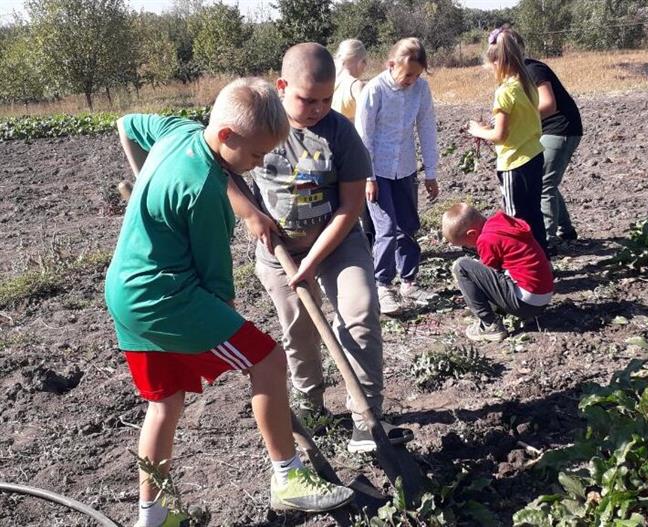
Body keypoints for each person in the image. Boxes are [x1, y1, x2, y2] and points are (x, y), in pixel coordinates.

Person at [105, 78, 354, 527]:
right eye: (256, 155)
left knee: (165, 403)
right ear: (227, 137)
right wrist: (228, 326)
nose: (258, 166)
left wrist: (145, 179)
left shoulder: (176, 131)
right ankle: (288, 477)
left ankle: (152, 516)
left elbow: (126, 124)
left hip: (125, 291)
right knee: (267, 360)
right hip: (168, 297)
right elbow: (218, 289)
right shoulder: (205, 193)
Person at [226, 43, 413, 454]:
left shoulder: (340, 133)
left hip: (337, 243)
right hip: (279, 253)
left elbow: (351, 207)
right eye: (307, 99)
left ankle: (367, 416)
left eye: (326, 99)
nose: (318, 108)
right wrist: (249, 215)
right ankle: (311, 402)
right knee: (299, 331)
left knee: (360, 313)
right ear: (281, 87)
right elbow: (216, 163)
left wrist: (312, 261)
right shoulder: (259, 123)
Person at [355, 37, 440, 315]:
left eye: (417, 75)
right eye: (407, 74)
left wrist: (431, 172)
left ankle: (409, 282)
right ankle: (382, 286)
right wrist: (368, 177)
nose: (411, 80)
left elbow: (426, 128)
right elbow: (364, 136)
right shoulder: (374, 91)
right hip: (377, 171)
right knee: (386, 228)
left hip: (404, 168)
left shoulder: (421, 89)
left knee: (408, 225)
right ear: (391, 65)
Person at [466, 28, 549, 258]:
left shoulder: (504, 92)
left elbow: (500, 135)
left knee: (516, 219)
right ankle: (544, 261)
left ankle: (523, 264)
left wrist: (479, 131)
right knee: (534, 213)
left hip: (514, 163)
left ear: (497, 62)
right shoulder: (527, 84)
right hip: (534, 156)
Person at [506, 28, 582, 248]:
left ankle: (546, 242)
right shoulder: (516, 75)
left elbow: (548, 104)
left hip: (560, 129)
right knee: (546, 179)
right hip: (547, 130)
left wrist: (519, 121)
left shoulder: (532, 69)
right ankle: (566, 230)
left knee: (543, 184)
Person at [442, 203, 553, 342]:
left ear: (472, 234)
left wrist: (473, 295)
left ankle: (489, 325)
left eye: (466, 244)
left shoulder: (486, 239)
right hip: (542, 295)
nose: (468, 247)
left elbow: (487, 275)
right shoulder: (500, 224)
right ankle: (505, 311)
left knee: (462, 266)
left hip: (526, 303)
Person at [331, 38, 376, 245]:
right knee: (363, 204)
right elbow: (367, 122)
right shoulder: (356, 86)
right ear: (359, 60)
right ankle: (369, 244)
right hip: (353, 148)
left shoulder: (332, 84)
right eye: (364, 62)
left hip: (332, 149)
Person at [332, 38, 368, 122]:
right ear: (357, 59)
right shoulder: (357, 85)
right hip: (349, 133)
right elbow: (366, 117)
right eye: (364, 61)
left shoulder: (331, 81)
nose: (365, 66)